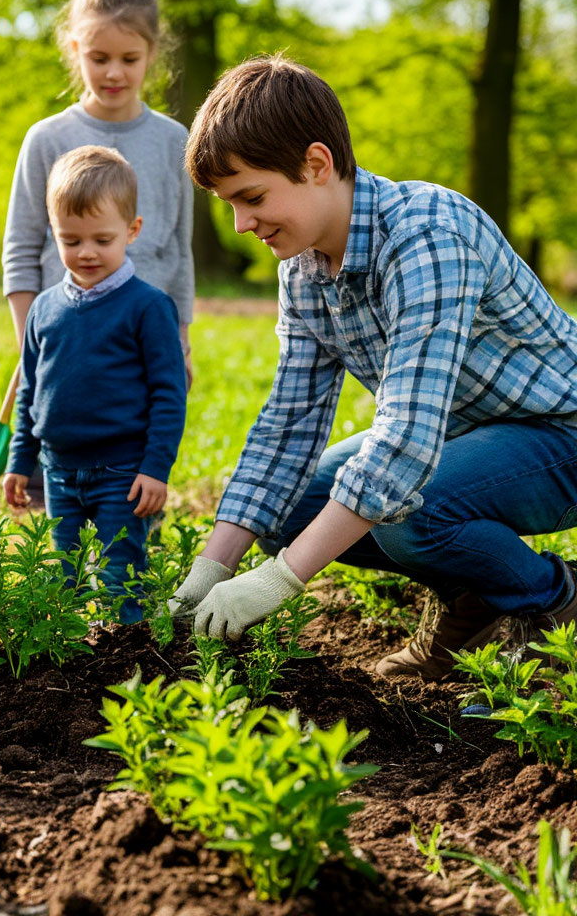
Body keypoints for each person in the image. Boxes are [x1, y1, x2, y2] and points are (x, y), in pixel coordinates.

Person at [168, 54, 577, 680]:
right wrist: (214, 568)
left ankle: (552, 602)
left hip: (560, 435)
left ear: (316, 164)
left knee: (409, 509)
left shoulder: (427, 237)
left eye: (251, 197)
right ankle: (474, 598)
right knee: (291, 507)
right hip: (467, 435)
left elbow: (406, 443)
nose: (242, 223)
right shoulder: (303, 270)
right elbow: (288, 427)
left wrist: (277, 581)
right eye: (229, 204)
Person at [3, 146, 187, 623]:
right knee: (60, 572)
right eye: (71, 239)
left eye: (102, 239)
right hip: (58, 472)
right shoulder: (44, 309)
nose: (86, 252)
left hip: (123, 474)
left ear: (132, 231)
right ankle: (62, 657)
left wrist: (156, 467)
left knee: (120, 574)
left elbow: (169, 393)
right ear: (53, 233)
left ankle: (130, 655)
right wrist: (20, 462)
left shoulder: (148, 307)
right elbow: (30, 391)